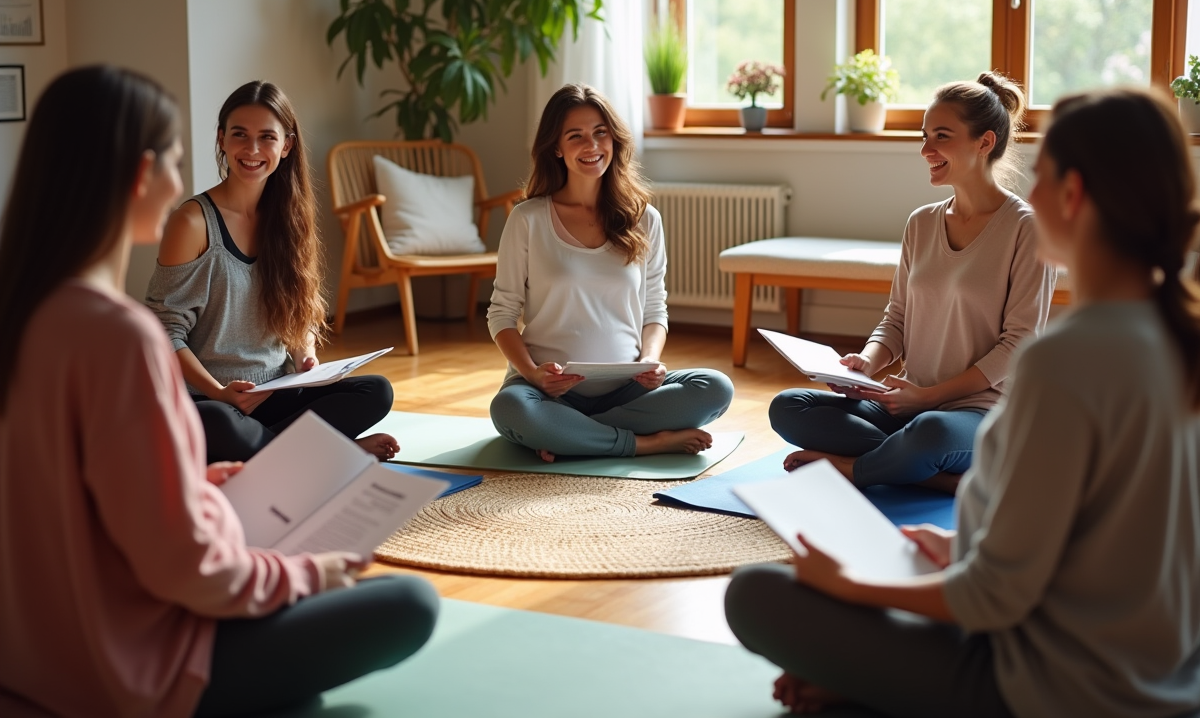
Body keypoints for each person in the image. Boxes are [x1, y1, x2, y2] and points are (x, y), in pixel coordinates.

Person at [724, 87, 1200, 717]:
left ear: (1073, 194)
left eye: (1044, 176)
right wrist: (964, 548)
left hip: (1064, 688)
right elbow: (1110, 539)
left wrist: (853, 586)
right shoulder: (1177, 342)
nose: (1029, 196)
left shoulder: (1064, 364)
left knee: (755, 591)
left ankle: (874, 682)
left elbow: (991, 602)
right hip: (1164, 675)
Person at [0, 67, 438, 717]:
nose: (182, 179)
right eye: (176, 159)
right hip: (123, 668)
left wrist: (199, 484)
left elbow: (81, 496)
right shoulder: (121, 337)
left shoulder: (24, 314)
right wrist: (309, 574)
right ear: (140, 175)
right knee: (410, 605)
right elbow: (187, 572)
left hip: (30, 656)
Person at [770, 72, 1055, 492]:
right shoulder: (921, 222)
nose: (926, 150)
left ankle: (855, 469)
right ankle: (938, 477)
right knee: (790, 407)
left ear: (985, 142)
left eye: (941, 136)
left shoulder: (1027, 229)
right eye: (924, 136)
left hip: (979, 413)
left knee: (932, 435)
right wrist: (867, 362)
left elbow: (1018, 345)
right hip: (905, 404)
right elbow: (897, 317)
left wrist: (930, 397)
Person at [146, 81, 397, 464]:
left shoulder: (289, 220)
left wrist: (306, 357)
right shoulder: (192, 223)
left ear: (287, 145)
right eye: (240, 135)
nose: (252, 150)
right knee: (215, 422)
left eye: (267, 137)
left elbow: (298, 312)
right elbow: (165, 331)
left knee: (376, 391)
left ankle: (272, 457)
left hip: (277, 392)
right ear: (222, 140)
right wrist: (218, 391)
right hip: (212, 400)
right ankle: (329, 455)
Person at [487, 83, 733, 461]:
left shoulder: (645, 219)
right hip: (547, 391)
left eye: (600, 133)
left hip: (628, 387)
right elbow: (501, 313)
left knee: (716, 387)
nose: (592, 146)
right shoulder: (528, 219)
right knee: (510, 410)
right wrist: (534, 374)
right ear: (556, 147)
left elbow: (655, 308)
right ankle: (643, 441)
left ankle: (572, 435)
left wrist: (650, 360)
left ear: (614, 140)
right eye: (576, 136)